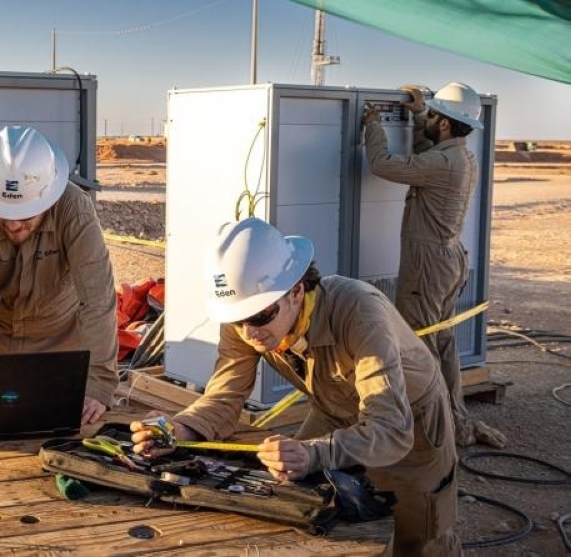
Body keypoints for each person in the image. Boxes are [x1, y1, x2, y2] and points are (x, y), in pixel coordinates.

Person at [131, 218, 460, 555]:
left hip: (411, 418)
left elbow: (391, 430)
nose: (249, 332)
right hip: (333, 409)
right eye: (237, 320)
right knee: (299, 503)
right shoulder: (249, 317)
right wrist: (179, 429)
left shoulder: (360, 312)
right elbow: (224, 396)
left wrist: (315, 452)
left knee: (418, 535)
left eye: (259, 317)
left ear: (297, 291)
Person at [364, 82, 506, 449]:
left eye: (435, 116)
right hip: (448, 259)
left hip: (428, 264)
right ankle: (456, 418)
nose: (430, 120)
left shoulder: (443, 163)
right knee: (441, 341)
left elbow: (382, 164)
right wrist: (419, 113)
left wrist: (373, 124)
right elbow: (428, 148)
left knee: (418, 342)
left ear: (445, 124)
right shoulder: (461, 156)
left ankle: (435, 428)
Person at [0, 125, 117, 425]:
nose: (14, 227)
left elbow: (97, 300)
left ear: (48, 199)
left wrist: (99, 385)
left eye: (25, 216)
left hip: (62, 345)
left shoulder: (73, 209)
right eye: (2, 215)